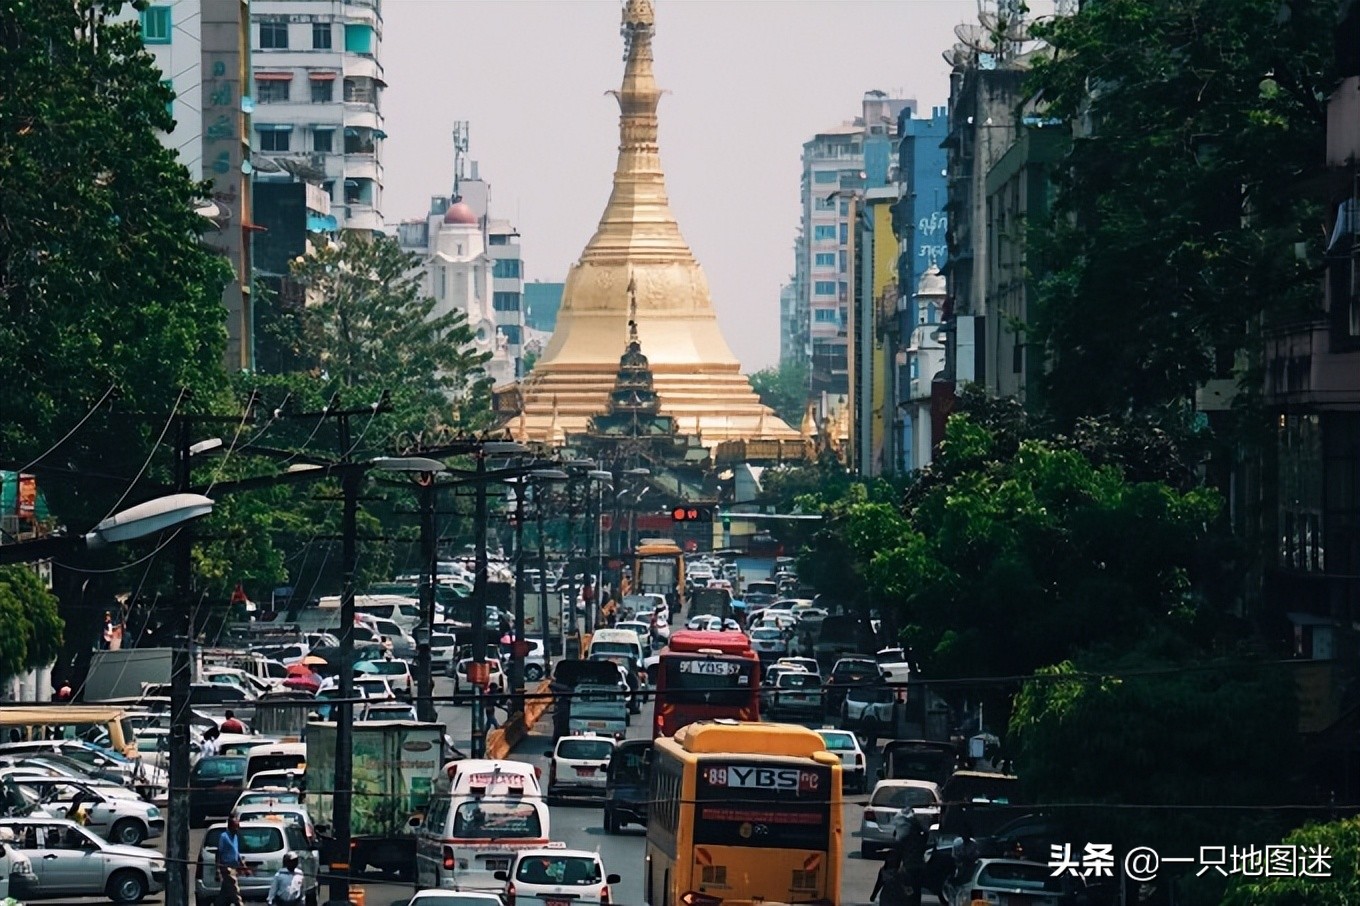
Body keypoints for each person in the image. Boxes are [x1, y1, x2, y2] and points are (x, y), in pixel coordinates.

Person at [215, 815, 249, 906]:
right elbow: (218, 853)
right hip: (227, 868)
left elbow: (236, 853)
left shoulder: (235, 837)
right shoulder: (224, 837)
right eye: (236, 826)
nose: (238, 829)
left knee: (224, 894)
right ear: (230, 826)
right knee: (235, 891)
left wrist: (244, 867)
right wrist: (217, 870)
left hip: (234, 868)